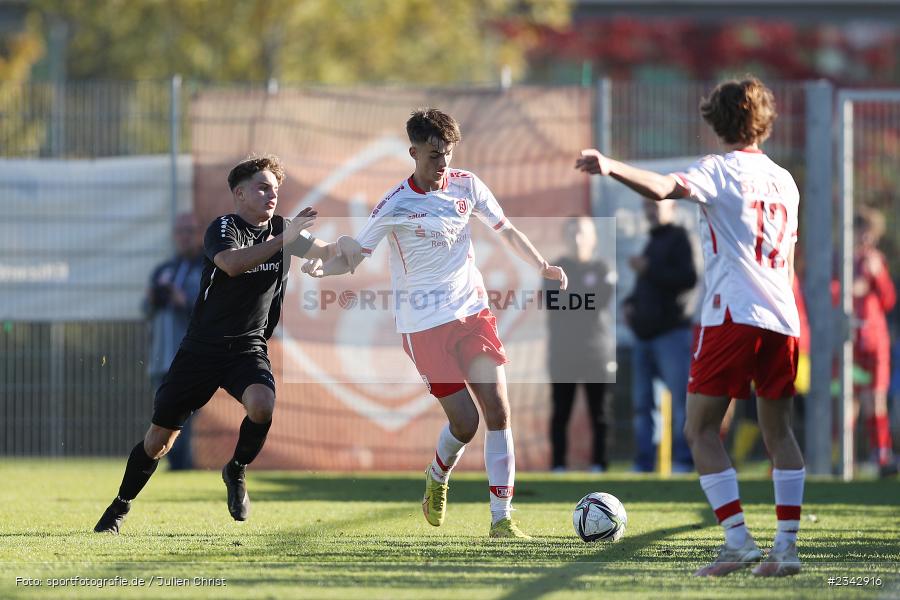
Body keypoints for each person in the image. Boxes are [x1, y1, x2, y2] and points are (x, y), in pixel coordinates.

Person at [577, 76, 805, 577]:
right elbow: (786, 258)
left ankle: (738, 541)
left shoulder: (719, 170)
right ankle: (785, 549)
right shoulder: (785, 180)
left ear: (715, 122)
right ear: (763, 122)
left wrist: (610, 165)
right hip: (783, 317)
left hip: (732, 315)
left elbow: (663, 188)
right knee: (779, 433)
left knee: (699, 429)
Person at [304, 108, 568, 538]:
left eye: (446, 153)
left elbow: (507, 229)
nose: (442, 163)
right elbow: (353, 254)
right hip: (424, 326)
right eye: (432, 155)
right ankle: (438, 475)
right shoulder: (395, 203)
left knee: (499, 412)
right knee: (465, 423)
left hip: (473, 313)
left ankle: (502, 519)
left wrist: (542, 265)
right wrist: (322, 271)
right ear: (413, 152)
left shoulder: (468, 185)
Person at [94, 154, 354, 534]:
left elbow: (326, 252)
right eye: (263, 187)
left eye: (276, 189)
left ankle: (235, 470)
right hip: (201, 349)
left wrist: (348, 248)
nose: (271, 195)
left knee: (262, 405)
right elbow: (232, 264)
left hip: (247, 348)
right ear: (239, 193)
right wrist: (288, 239)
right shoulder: (223, 228)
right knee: (158, 442)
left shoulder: (284, 231)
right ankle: (119, 506)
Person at [624, 198, 697, 473]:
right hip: (644, 336)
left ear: (672, 208)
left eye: (655, 204)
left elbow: (688, 279)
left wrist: (649, 269)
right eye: (646, 206)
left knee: (681, 402)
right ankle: (644, 463)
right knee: (644, 405)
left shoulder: (680, 238)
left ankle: (683, 461)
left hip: (672, 335)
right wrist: (630, 304)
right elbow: (646, 288)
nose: (650, 211)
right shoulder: (652, 241)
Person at [544, 216, 614, 472]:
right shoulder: (554, 270)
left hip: (596, 353)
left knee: (600, 413)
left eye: (583, 233)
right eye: (572, 233)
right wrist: (582, 300)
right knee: (561, 412)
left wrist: (573, 301)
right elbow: (553, 304)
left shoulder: (602, 269)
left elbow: (601, 302)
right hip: (563, 353)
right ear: (565, 238)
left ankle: (599, 465)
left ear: (593, 238)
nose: (577, 239)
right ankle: (558, 466)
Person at [144, 212, 204, 470]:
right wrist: (154, 299)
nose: (185, 236)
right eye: (180, 231)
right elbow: (146, 308)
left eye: (190, 231)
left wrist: (186, 302)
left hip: (191, 357)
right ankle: (175, 462)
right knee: (164, 413)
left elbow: (211, 310)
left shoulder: (207, 268)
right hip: (161, 356)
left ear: (199, 234)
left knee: (183, 414)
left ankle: (181, 463)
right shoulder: (164, 270)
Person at [851, 208, 897, 477]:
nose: (866, 238)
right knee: (849, 400)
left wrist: (877, 275)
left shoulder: (877, 261)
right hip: (850, 343)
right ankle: (844, 459)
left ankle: (882, 456)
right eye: (861, 232)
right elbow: (831, 290)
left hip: (874, 342)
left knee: (875, 400)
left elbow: (888, 300)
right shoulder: (843, 260)